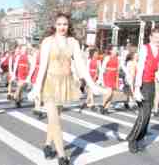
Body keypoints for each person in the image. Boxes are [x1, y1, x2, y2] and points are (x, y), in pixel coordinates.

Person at [28, 13, 105, 165]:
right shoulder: (48, 41)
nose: (62, 27)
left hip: (65, 83)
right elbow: (42, 66)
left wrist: (92, 85)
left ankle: (47, 145)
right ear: (54, 25)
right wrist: (36, 88)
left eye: (65, 24)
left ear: (68, 26)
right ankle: (62, 156)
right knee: (55, 121)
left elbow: (81, 66)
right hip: (49, 82)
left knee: (55, 116)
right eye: (59, 24)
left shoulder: (73, 42)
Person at [127, 27, 159, 153]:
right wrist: (137, 88)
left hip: (151, 85)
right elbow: (141, 67)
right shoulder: (144, 48)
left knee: (148, 116)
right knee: (144, 114)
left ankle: (140, 138)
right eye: (156, 38)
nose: (158, 40)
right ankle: (132, 139)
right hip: (142, 83)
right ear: (151, 37)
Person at [99, 46, 119, 115]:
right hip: (108, 75)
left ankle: (106, 108)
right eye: (115, 50)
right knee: (109, 92)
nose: (116, 51)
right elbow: (102, 68)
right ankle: (102, 105)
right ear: (111, 51)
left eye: (116, 50)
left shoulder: (118, 58)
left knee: (111, 94)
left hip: (114, 76)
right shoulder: (107, 57)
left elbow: (122, 67)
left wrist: (128, 75)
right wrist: (100, 79)